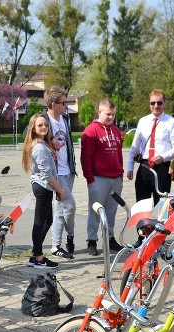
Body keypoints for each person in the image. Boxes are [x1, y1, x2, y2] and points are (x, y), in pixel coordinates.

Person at [80, 99, 124, 258]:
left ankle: (110, 238)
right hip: (99, 178)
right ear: (99, 112)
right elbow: (85, 158)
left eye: (113, 114)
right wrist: (90, 180)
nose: (111, 117)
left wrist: (121, 173)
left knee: (112, 211)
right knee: (96, 211)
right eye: (108, 114)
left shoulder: (116, 131)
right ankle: (92, 241)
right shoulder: (91, 131)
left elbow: (119, 154)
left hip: (115, 178)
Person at [22, 113, 65, 269]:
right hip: (43, 187)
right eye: (40, 125)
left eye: (46, 125)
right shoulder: (39, 147)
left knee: (47, 221)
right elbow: (47, 175)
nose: (44, 127)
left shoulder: (42, 144)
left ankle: (35, 254)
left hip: (44, 186)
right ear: (33, 127)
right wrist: (60, 190)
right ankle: (39, 258)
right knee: (40, 222)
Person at [40, 86, 78, 258]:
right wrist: (49, 140)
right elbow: (29, 134)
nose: (66, 106)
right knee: (70, 204)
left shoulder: (65, 118)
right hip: (55, 173)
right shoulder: (43, 119)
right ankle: (70, 235)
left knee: (61, 209)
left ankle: (56, 245)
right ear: (54, 105)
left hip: (68, 169)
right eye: (64, 103)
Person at [127, 89, 174, 203]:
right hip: (145, 166)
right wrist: (130, 167)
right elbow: (135, 146)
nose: (156, 106)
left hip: (162, 167)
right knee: (142, 203)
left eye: (159, 103)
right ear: (149, 104)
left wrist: (164, 157)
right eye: (153, 103)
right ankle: (143, 221)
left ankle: (160, 222)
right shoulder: (143, 121)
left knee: (161, 204)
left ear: (164, 103)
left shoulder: (171, 122)